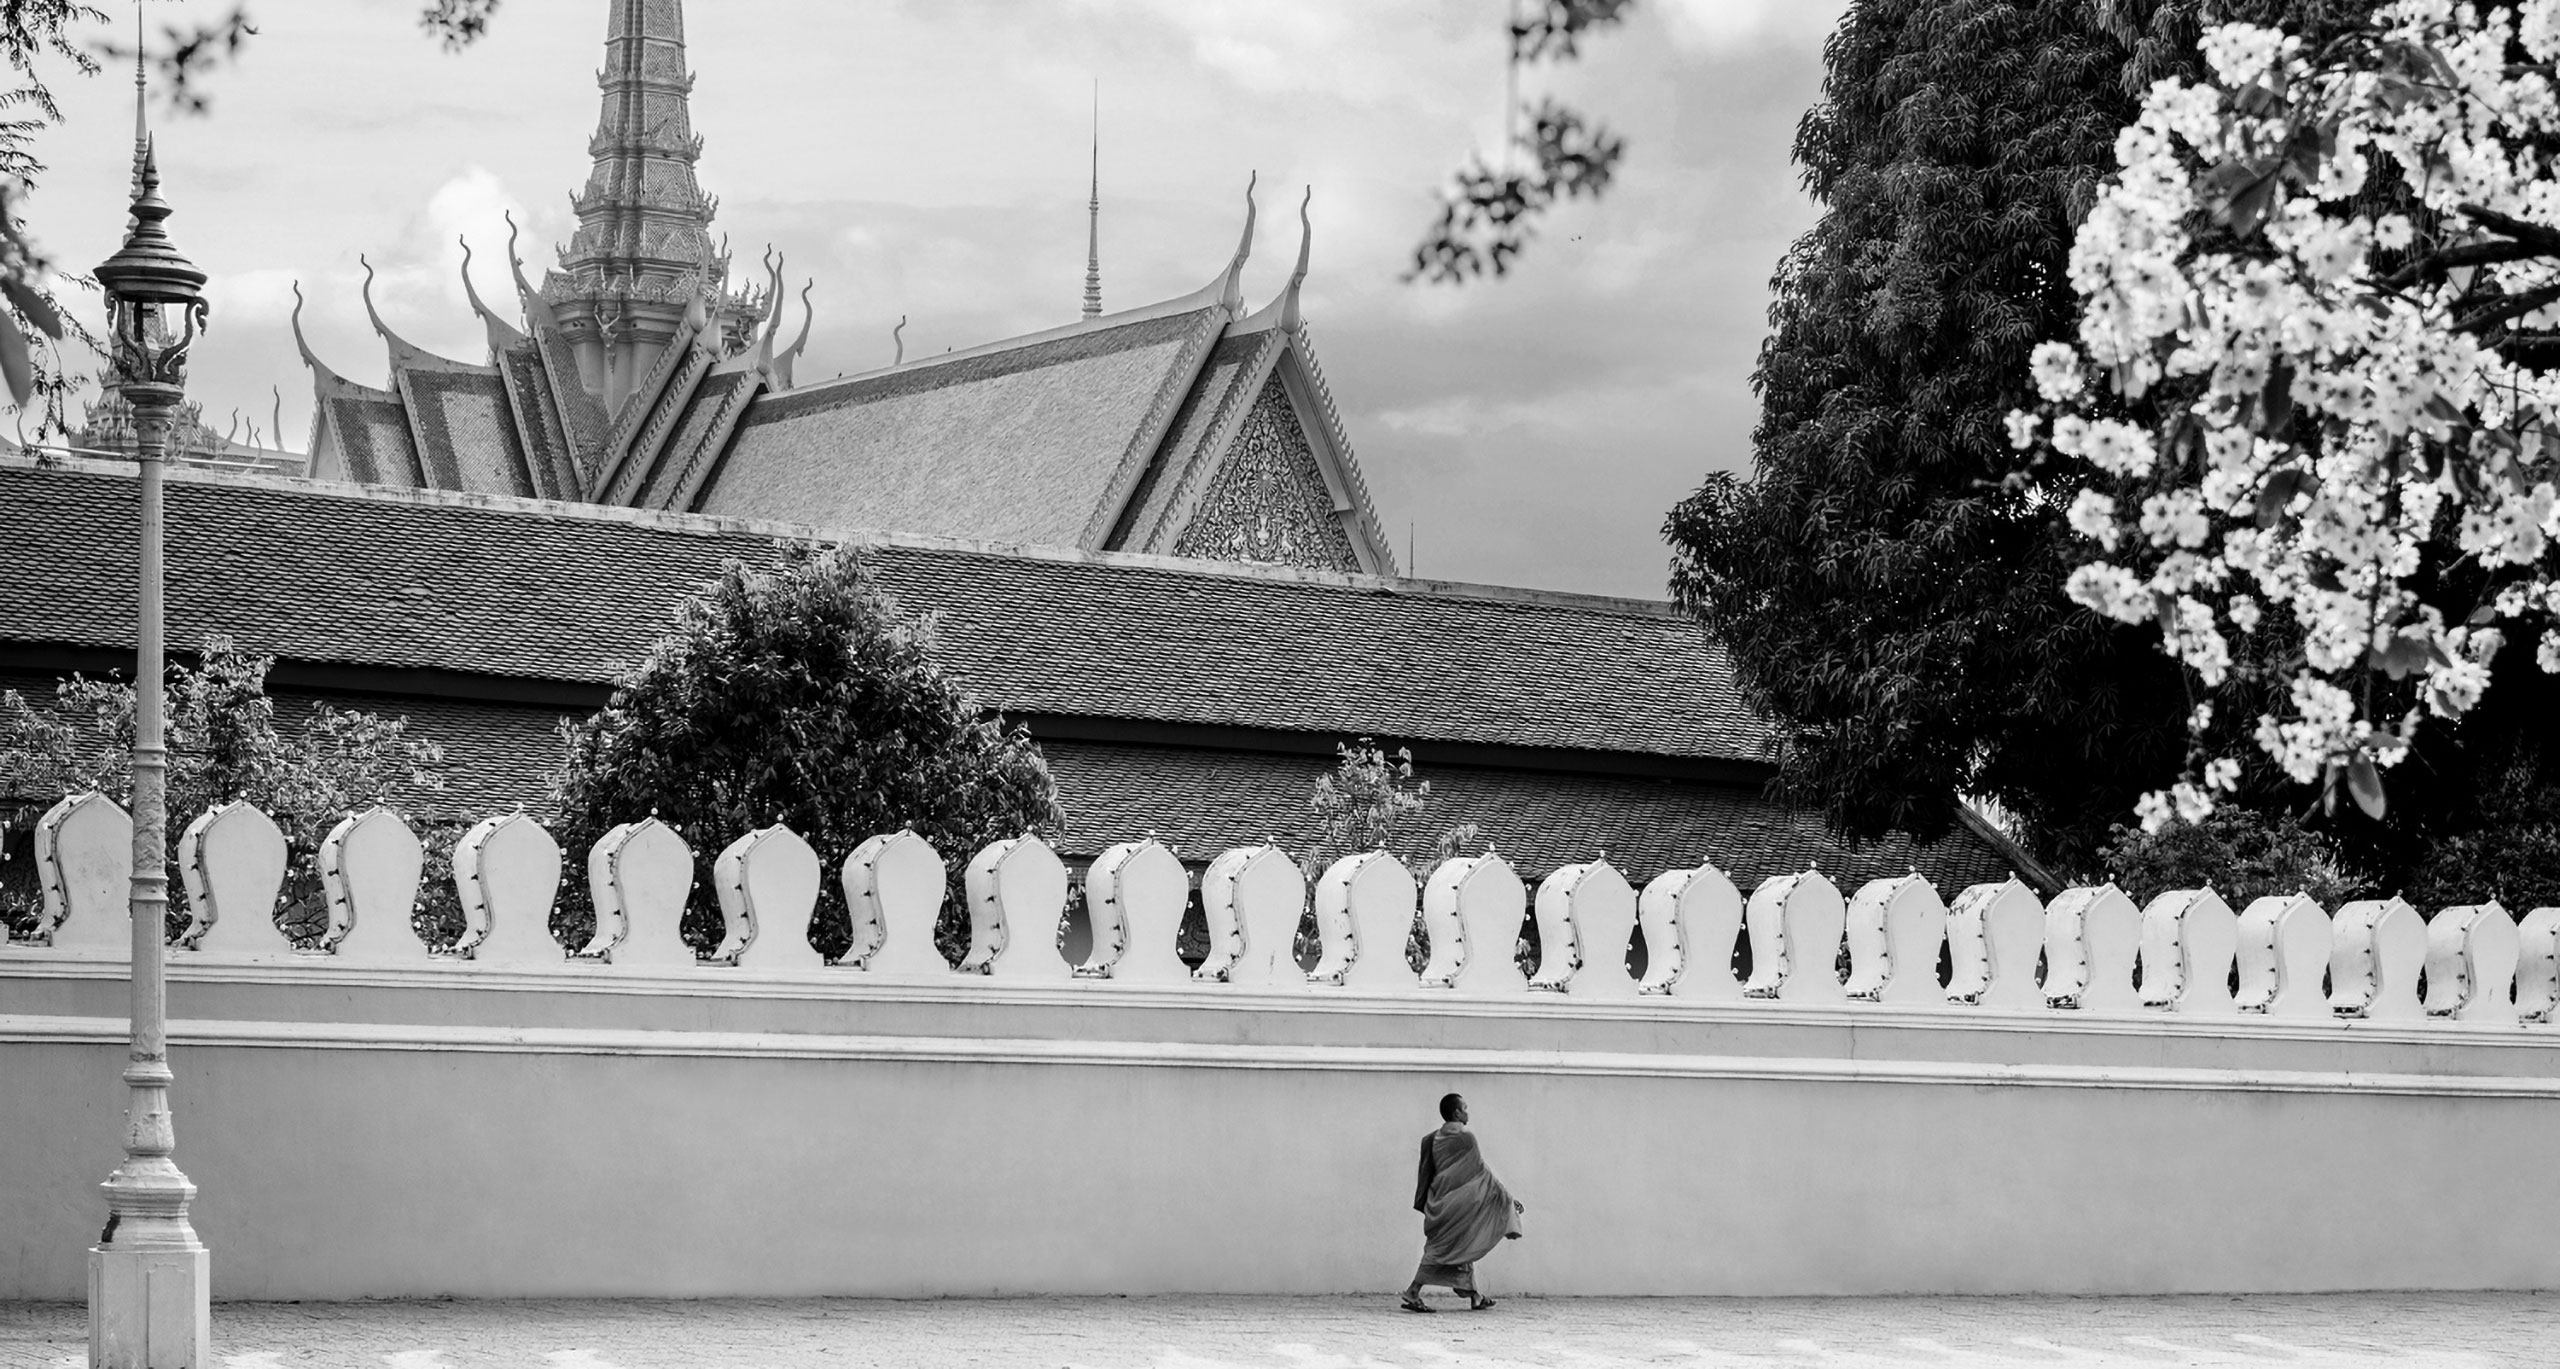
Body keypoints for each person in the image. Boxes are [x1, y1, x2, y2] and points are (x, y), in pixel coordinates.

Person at [1400, 1092, 1523, 1313]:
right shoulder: (1466, 1138)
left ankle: (1475, 1297)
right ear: (1457, 1112)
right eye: (1465, 1108)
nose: (1468, 1113)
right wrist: (1508, 1198)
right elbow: (1481, 1172)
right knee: (1439, 1251)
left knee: (1459, 1245)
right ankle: (1412, 1291)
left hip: (1440, 1201)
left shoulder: (1433, 1138)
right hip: (1459, 1203)